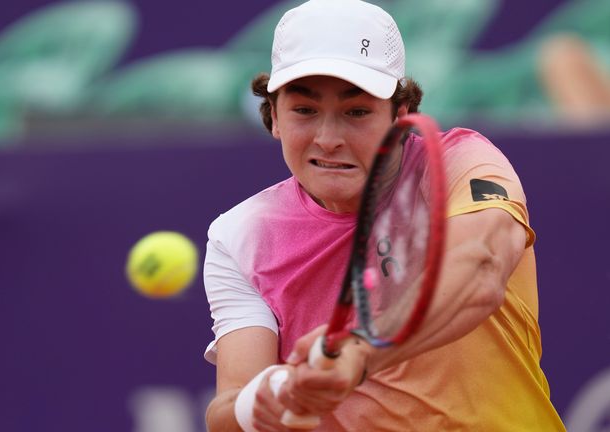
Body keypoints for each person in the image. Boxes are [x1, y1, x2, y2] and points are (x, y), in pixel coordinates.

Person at [203, 0, 566, 430]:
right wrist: (266, 400)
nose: (328, 138)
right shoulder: (240, 234)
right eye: (304, 110)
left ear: (401, 114)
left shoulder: (462, 163)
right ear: (274, 118)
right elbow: (226, 409)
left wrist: (360, 351)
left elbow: (481, 269)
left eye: (356, 112)